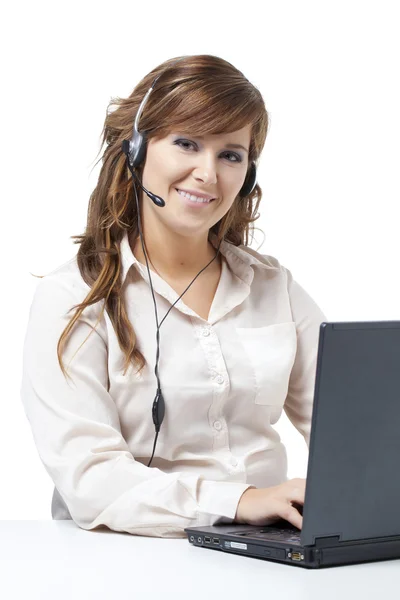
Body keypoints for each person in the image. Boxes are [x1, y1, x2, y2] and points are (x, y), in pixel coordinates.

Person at [20, 54, 327, 538]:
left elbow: (353, 429)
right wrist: (240, 501)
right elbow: (91, 480)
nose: (208, 173)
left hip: (268, 550)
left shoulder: (275, 287)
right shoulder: (74, 297)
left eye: (230, 154)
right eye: (187, 144)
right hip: (127, 555)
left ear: (247, 173)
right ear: (138, 150)